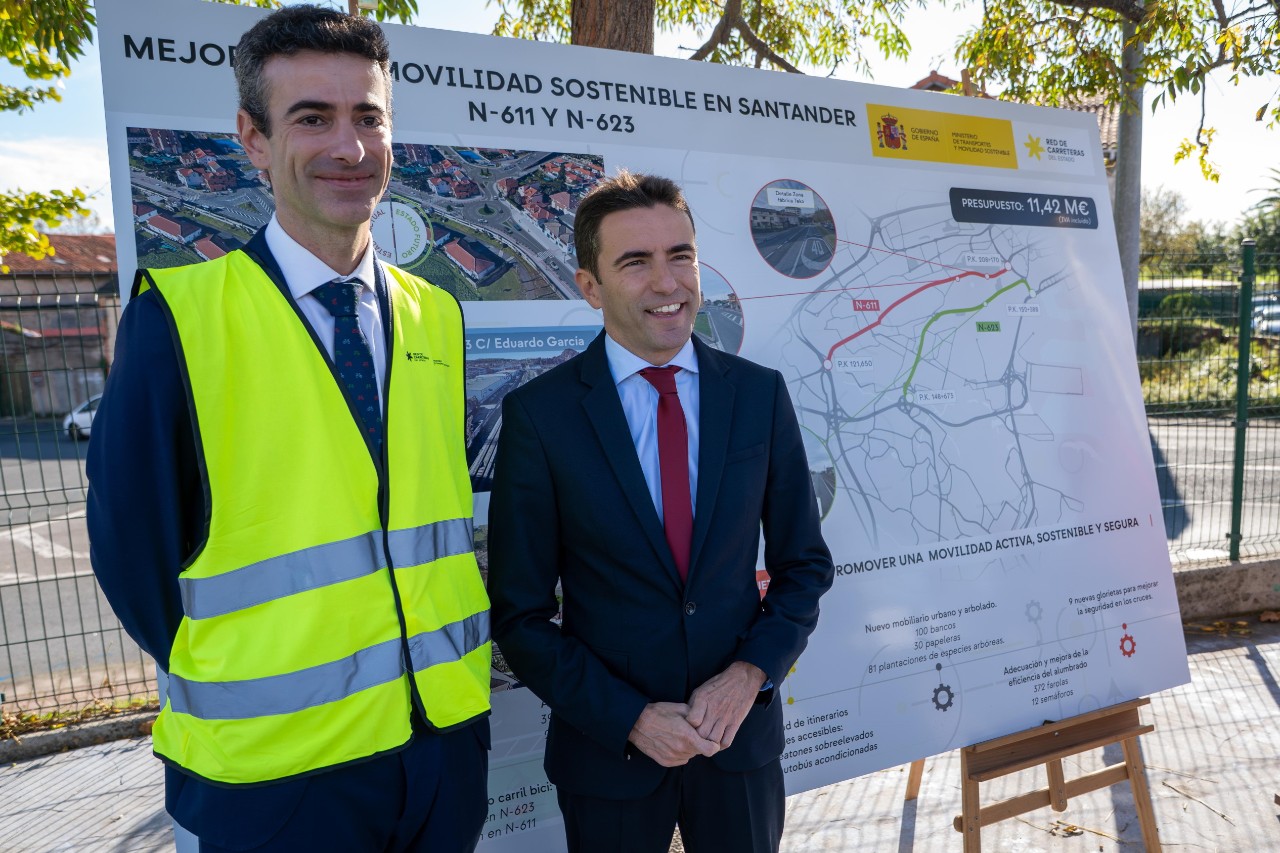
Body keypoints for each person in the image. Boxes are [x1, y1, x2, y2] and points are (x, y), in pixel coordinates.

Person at [87, 6, 491, 851]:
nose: (349, 148)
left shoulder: (439, 315)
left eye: (367, 118)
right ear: (253, 138)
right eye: (312, 118)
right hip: (275, 778)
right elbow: (135, 558)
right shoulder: (181, 319)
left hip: (441, 752)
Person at [487, 171, 835, 853]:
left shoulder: (758, 396)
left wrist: (749, 675)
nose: (667, 282)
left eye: (680, 255)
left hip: (738, 748)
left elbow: (804, 568)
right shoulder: (542, 416)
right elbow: (520, 617)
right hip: (609, 760)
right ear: (591, 286)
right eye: (636, 262)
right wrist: (632, 718)